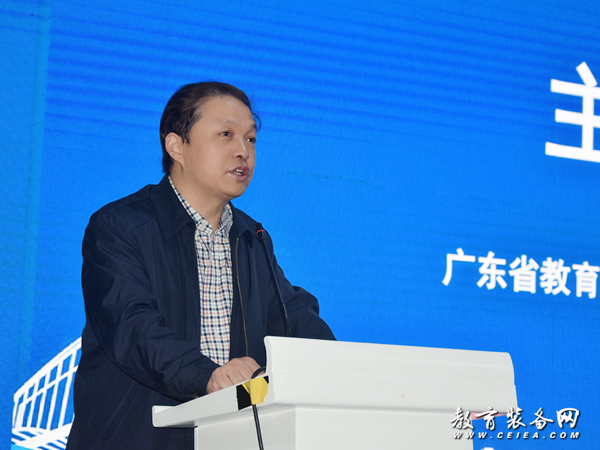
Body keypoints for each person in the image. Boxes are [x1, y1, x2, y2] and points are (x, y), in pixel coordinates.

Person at [66, 82, 335, 449]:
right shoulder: (120, 227)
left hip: (227, 437)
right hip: (137, 437)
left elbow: (290, 315)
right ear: (176, 146)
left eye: (251, 139)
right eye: (226, 135)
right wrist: (209, 376)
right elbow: (132, 327)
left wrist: (336, 365)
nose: (243, 151)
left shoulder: (251, 237)